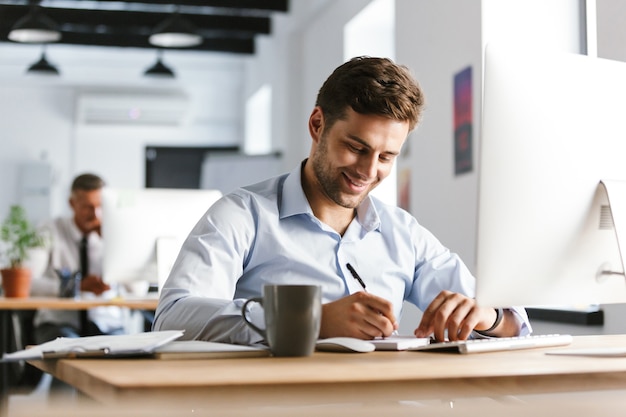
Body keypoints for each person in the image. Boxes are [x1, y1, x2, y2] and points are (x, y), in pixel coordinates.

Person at [153, 57, 531, 344]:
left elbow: (518, 326)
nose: (368, 171)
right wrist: (307, 320)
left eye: (386, 157)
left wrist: (488, 316)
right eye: (356, 147)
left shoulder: (403, 233)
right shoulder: (241, 215)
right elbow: (172, 318)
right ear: (317, 125)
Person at [32, 173, 124, 344]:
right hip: (59, 322)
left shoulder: (115, 234)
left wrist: (115, 245)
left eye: (101, 206)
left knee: (124, 358)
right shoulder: (50, 230)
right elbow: (28, 283)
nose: (95, 214)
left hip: (107, 324)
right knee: (71, 349)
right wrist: (75, 287)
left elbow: (137, 290)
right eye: (87, 207)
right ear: (72, 204)